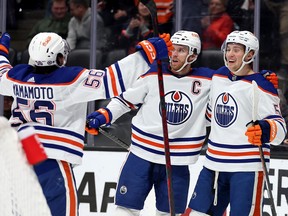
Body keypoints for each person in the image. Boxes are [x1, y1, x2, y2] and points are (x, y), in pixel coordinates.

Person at [0, 31, 172, 216]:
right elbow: (111, 80)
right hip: (50, 157)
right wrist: (147, 53)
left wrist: (2, 52)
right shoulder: (70, 79)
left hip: (20, 154)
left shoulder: (16, 77)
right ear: (59, 57)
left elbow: (1, 72)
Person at [85, 30, 213, 216]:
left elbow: (231, 91)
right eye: (172, 49)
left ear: (193, 55)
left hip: (177, 162)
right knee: (125, 210)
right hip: (141, 155)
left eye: (181, 50)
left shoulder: (208, 81)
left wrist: (258, 81)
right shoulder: (153, 72)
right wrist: (105, 115)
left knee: (169, 213)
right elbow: (125, 101)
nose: (174, 54)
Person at [186, 30, 287, 215]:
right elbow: (208, 114)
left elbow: (280, 127)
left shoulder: (261, 85)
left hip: (246, 168)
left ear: (249, 54)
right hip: (213, 164)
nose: (230, 54)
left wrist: (266, 129)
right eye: (228, 49)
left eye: (237, 50)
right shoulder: (218, 77)